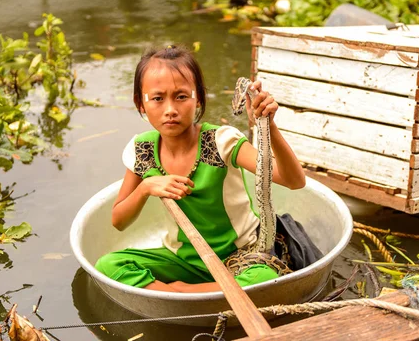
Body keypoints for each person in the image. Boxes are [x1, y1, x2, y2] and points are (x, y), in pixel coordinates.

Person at [95, 45, 305, 293]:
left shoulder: (221, 141)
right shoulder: (142, 150)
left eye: (181, 96)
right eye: (158, 98)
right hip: (184, 260)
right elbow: (118, 221)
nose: (170, 109)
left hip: (239, 258)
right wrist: (145, 188)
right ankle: (208, 291)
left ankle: (177, 293)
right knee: (108, 264)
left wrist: (268, 125)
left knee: (262, 276)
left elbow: (293, 181)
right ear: (141, 103)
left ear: (198, 99)